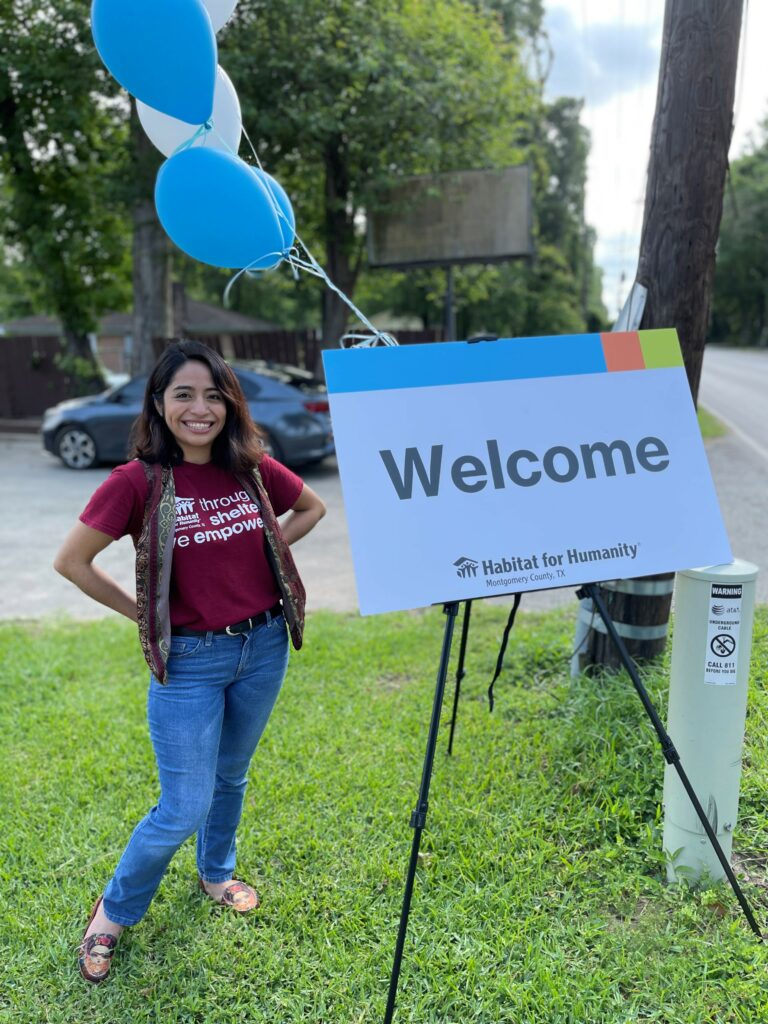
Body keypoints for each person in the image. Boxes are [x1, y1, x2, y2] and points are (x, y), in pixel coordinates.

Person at [54, 339, 326, 984]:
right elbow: (71, 563)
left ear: (230, 404)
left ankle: (216, 872)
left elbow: (311, 507)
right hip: (191, 661)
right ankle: (112, 915)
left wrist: (267, 550)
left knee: (232, 775)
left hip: (262, 647)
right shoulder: (137, 482)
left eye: (213, 394)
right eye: (184, 394)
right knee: (182, 805)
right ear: (159, 403)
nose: (200, 408)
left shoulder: (250, 467)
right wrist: (144, 613)